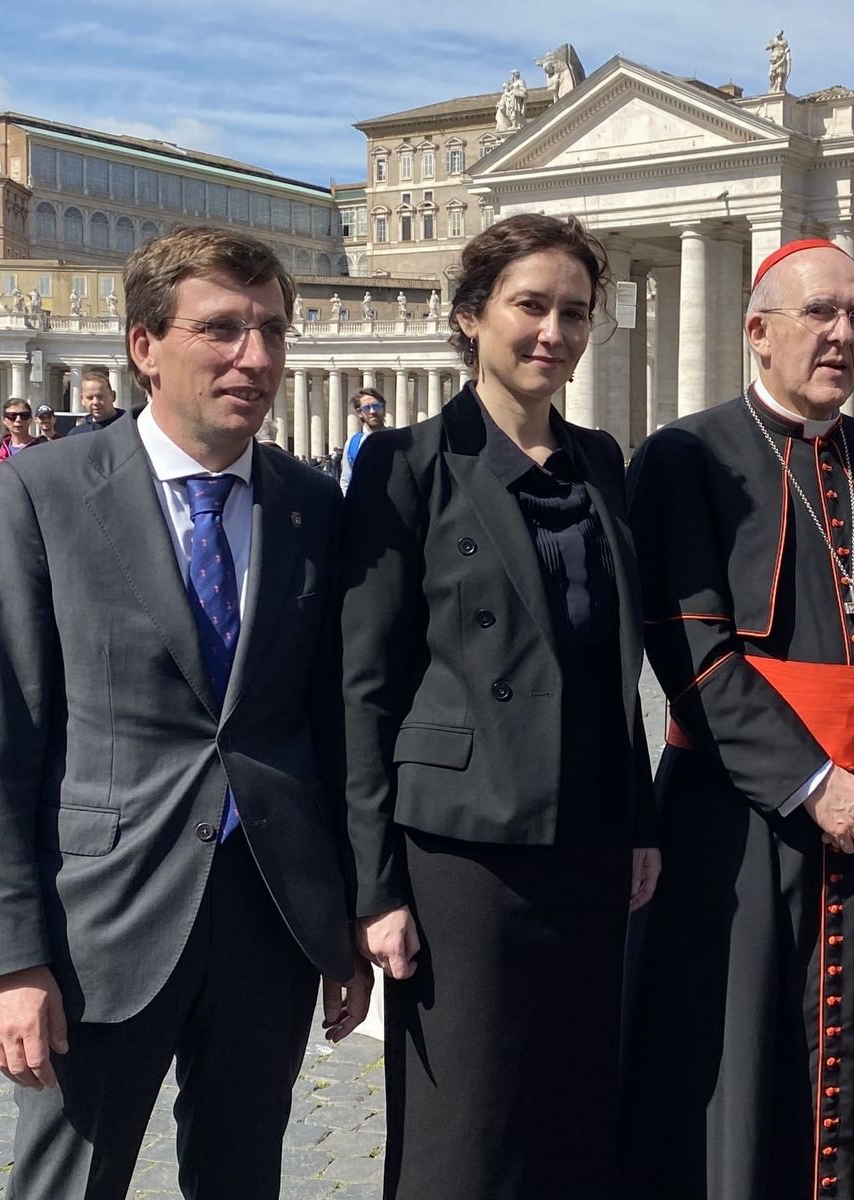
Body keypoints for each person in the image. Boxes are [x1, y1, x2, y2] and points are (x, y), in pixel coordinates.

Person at [0, 225, 372, 1200]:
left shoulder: (314, 506)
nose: (255, 357)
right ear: (144, 345)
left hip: (268, 918)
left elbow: (333, 726)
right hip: (99, 922)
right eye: (221, 329)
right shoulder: (43, 492)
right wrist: (6, 961)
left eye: (272, 331)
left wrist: (342, 916)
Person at [620, 238, 854, 1200]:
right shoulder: (687, 457)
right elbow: (691, 654)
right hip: (736, 823)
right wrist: (816, 785)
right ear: (758, 331)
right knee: (736, 1065)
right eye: (820, 313)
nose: (842, 334)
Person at [341, 213, 658, 1200]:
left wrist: (640, 821)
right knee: (466, 1127)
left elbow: (613, 670)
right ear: (472, 316)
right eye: (531, 306)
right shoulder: (404, 463)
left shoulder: (602, 460)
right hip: (461, 854)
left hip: (589, 837)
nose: (553, 332)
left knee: (576, 1108)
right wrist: (375, 887)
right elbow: (363, 686)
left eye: (575, 312)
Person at [0, 399, 45, 487]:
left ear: (30, 419)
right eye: (12, 416)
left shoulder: (42, 448)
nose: (18, 420)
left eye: (24, 415)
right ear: (4, 420)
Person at [339, 386, 385, 494]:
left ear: (383, 408)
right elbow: (346, 480)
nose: (372, 411)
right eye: (367, 408)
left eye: (376, 406)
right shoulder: (353, 443)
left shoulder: (399, 438)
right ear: (359, 413)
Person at [66, 367, 125, 434]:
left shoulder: (130, 426)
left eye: (100, 397)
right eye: (90, 398)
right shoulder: (76, 434)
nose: (95, 402)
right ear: (82, 400)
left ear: (113, 396)